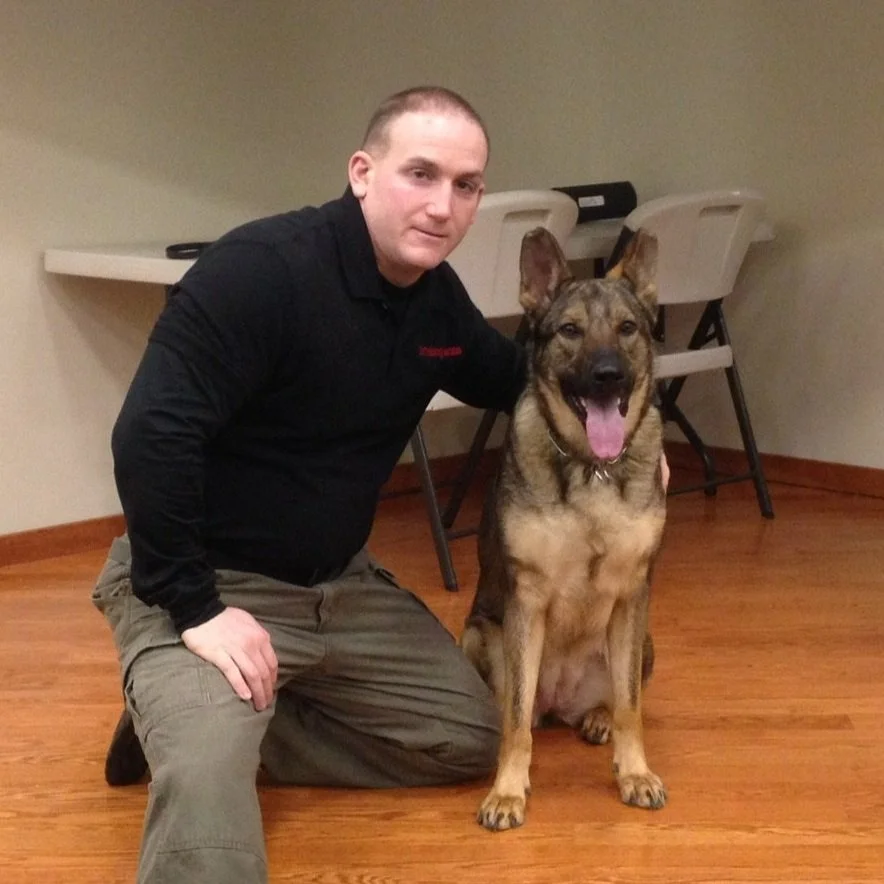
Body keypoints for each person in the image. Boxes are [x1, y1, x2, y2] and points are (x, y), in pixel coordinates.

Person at [92, 86, 524, 884]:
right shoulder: (262, 273)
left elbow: (516, 379)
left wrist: (621, 434)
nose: (442, 205)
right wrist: (197, 609)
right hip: (205, 585)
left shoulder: (436, 302)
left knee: (468, 737)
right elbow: (152, 434)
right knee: (207, 797)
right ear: (362, 172)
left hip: (340, 588)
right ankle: (193, 722)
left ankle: (193, 718)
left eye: (465, 185)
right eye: (420, 174)